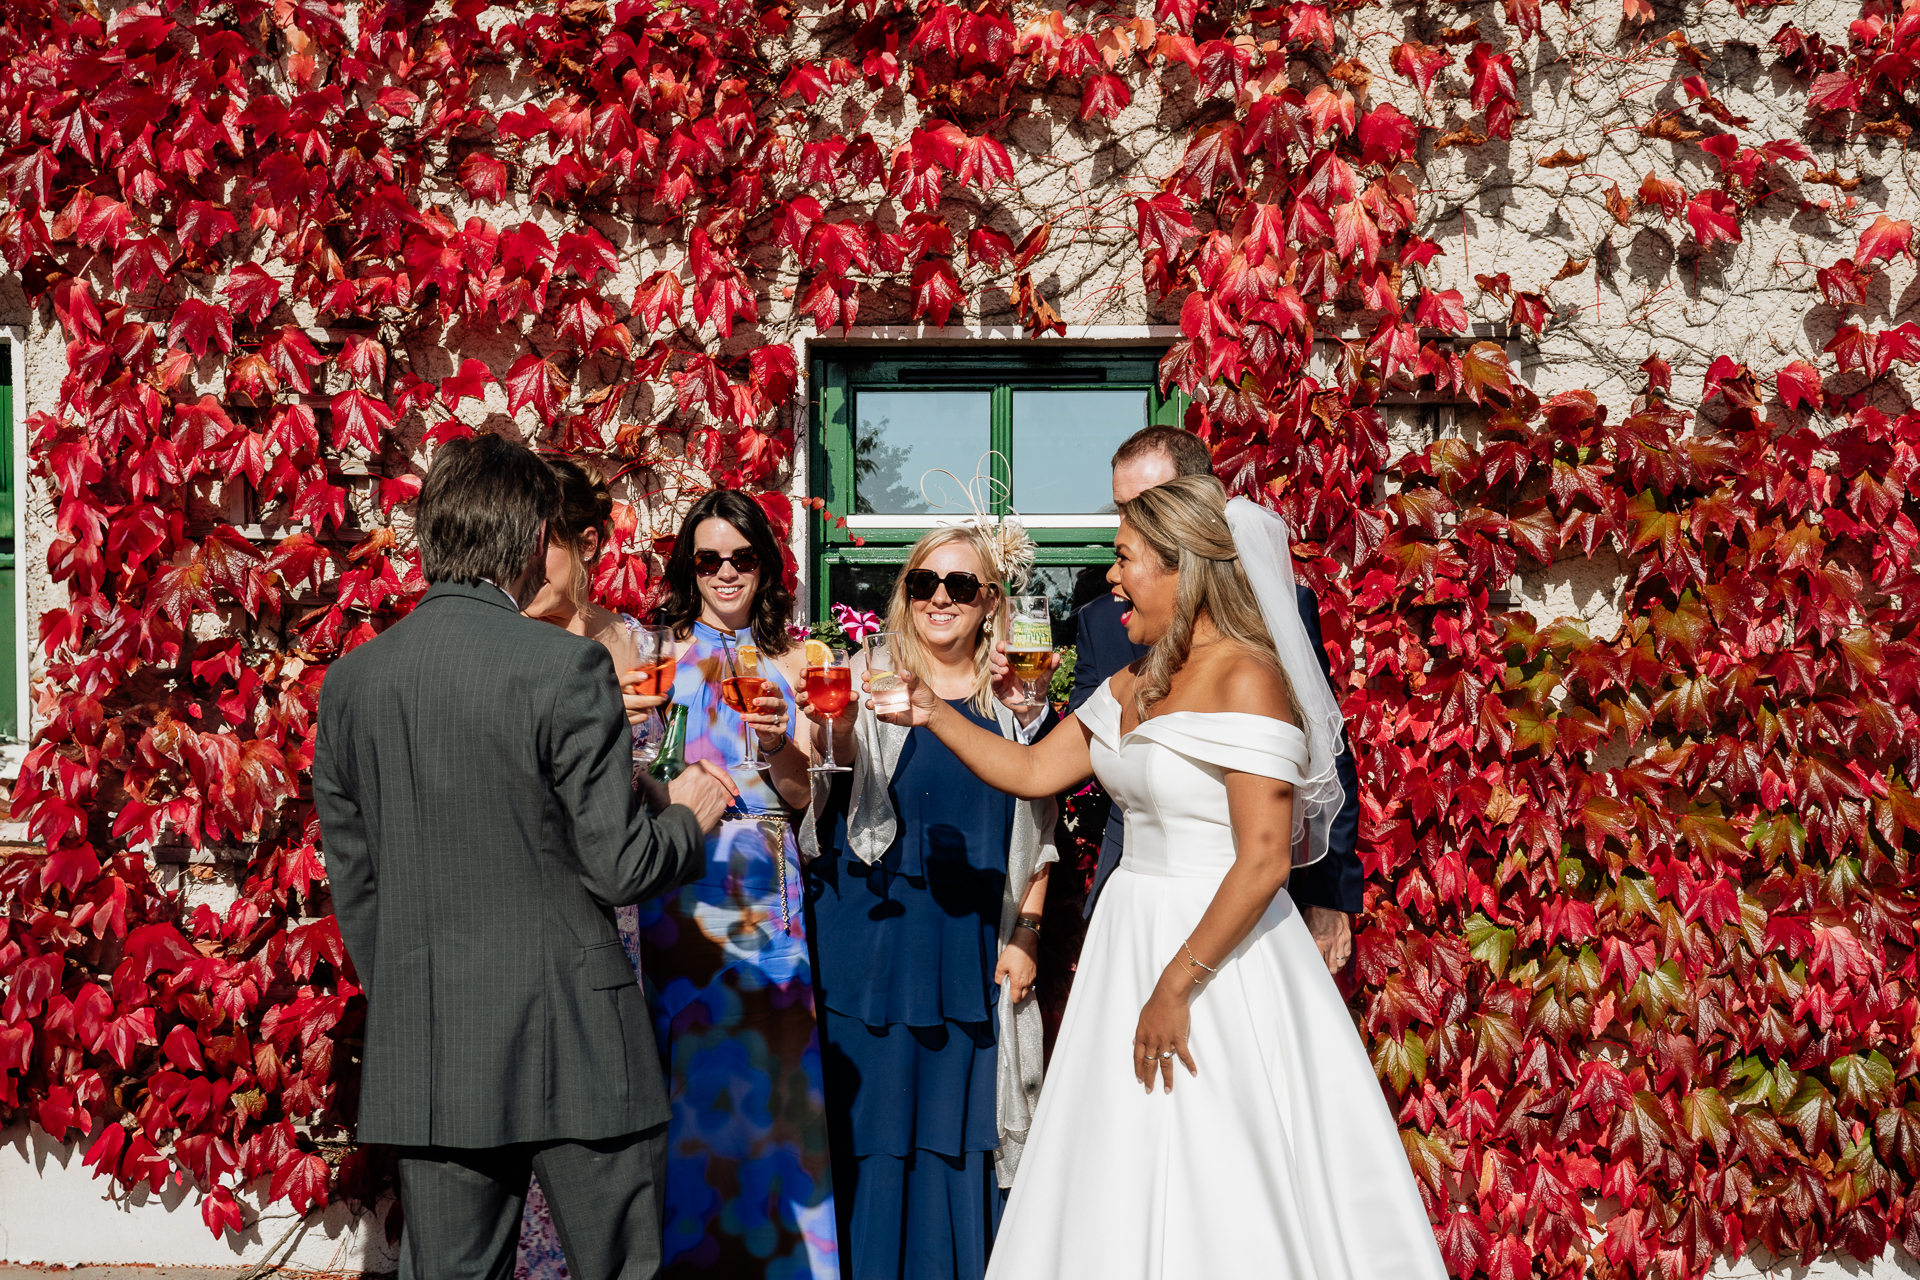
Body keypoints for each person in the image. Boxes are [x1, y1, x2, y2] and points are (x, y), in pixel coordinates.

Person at [878, 476, 1447, 1278]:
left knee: (1221, 1150)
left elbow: (1263, 858)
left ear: (1182, 567)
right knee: (1118, 1154)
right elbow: (1037, 769)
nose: (1111, 578)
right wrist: (932, 714)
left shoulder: (1250, 679)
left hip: (1223, 953)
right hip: (1128, 939)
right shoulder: (1133, 682)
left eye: (1125, 559)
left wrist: (1176, 987)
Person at [313, 434, 734, 1280]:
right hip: (576, 1040)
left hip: (432, 1043)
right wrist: (688, 816)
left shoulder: (353, 682)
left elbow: (355, 884)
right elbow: (618, 865)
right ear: (536, 533)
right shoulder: (563, 665)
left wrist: (413, 989)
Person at [797, 523, 1055, 1280]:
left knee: (963, 1139)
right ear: (904, 594)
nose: (940, 598)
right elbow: (816, 788)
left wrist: (1029, 932)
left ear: (990, 602)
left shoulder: (1015, 695)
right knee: (871, 1137)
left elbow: (1040, 827)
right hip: (869, 945)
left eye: (961, 586)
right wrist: (824, 733)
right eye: (924, 583)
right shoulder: (862, 675)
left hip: (970, 949)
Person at [512, 461, 748, 1277]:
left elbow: (664, 777)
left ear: (586, 543)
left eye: (541, 538)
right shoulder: (516, 645)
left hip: (631, 917)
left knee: (618, 1134)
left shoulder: (638, 642)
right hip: (547, 900)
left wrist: (664, 787)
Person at [633, 489, 840, 1280]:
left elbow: (800, 795)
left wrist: (783, 738)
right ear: (688, 565)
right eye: (708, 558)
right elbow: (633, 772)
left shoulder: (800, 662)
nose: (725, 573)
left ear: (766, 566)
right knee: (689, 1094)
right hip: (682, 885)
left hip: (765, 893)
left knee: (775, 1090)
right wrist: (676, 789)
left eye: (742, 558)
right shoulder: (654, 654)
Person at [1069, 425, 1363, 975]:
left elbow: (1324, 746)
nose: (1131, 521)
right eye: (1121, 507)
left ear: (1198, 501)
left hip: (1252, 874)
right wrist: (1025, 707)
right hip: (1134, 875)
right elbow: (1079, 737)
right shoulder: (1102, 616)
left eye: (1149, 503)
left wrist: (1329, 893)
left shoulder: (1275, 605)